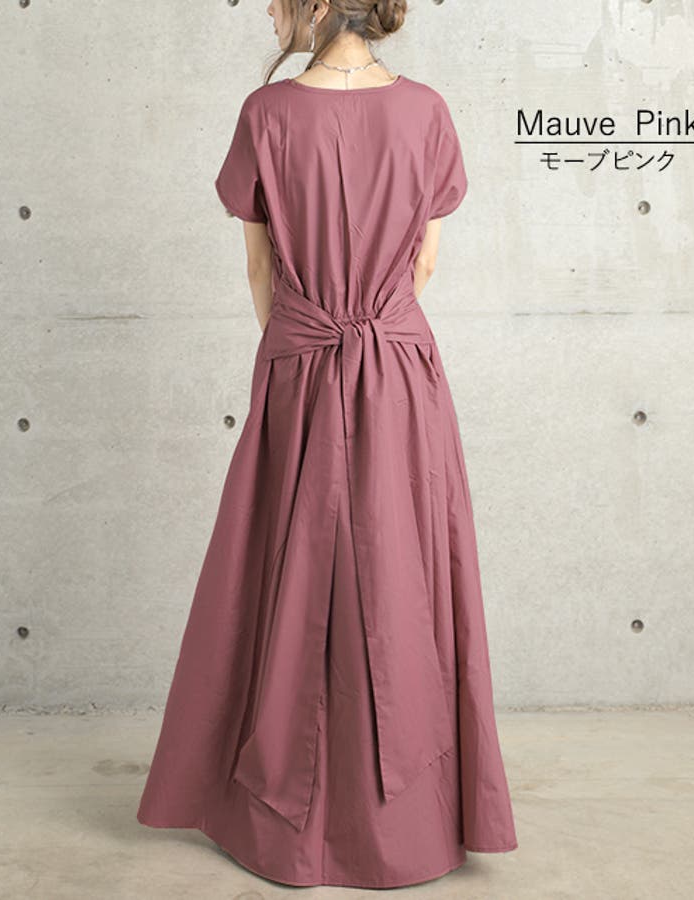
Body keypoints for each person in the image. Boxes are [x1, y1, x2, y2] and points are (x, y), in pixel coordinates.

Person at [137, 0, 518, 888]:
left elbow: (261, 270)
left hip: (299, 362)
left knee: (284, 570)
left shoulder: (267, 112)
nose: (269, 12)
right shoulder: (426, 110)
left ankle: (280, 818)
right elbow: (423, 266)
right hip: (401, 372)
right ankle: (406, 824)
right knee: (401, 574)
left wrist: (303, 352)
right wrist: (366, 329)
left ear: (311, 4)